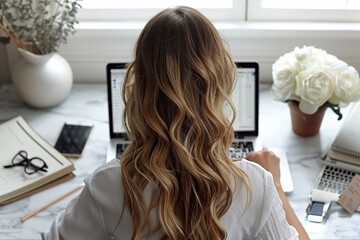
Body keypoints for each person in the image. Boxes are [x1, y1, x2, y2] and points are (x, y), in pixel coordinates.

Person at [42, 6, 309, 240]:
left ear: (139, 89)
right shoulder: (255, 185)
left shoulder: (108, 184)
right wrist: (275, 185)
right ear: (219, 84)